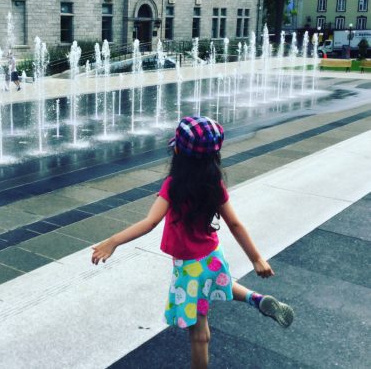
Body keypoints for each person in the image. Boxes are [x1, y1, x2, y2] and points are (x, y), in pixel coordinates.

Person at [92, 116, 294, 368]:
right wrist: (256, 258)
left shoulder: (173, 185)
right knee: (218, 282)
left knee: (199, 334)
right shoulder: (214, 184)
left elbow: (150, 222)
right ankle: (256, 299)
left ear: (177, 151)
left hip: (189, 267)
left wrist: (113, 241)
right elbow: (235, 224)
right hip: (211, 254)